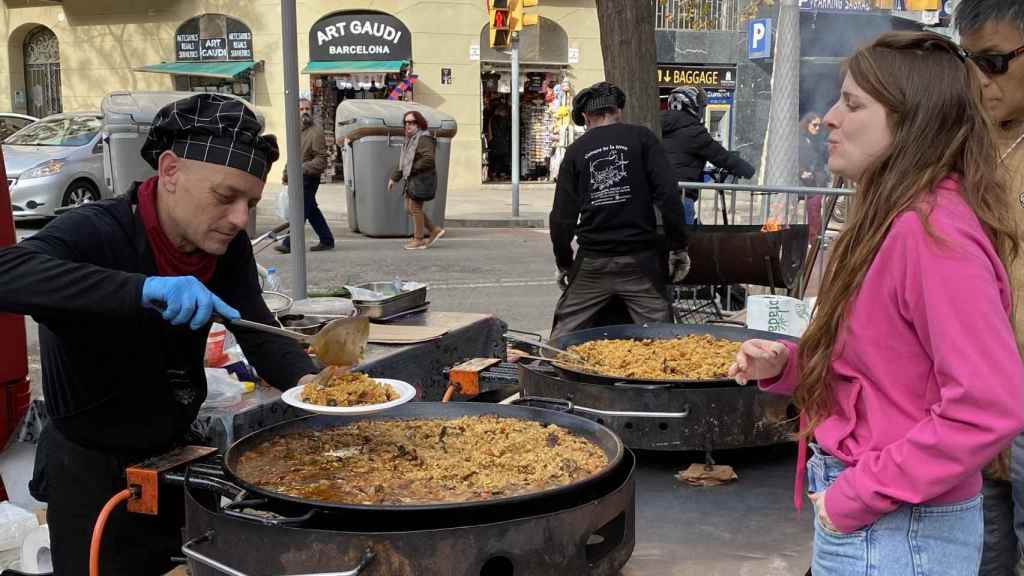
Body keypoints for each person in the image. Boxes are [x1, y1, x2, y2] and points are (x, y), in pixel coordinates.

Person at [729, 32, 1024, 575]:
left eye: (854, 103)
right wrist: (790, 365)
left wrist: (857, 494)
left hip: (895, 529)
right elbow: (890, 373)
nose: (830, 118)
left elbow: (988, 404)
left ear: (913, 121)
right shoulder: (898, 218)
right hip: (881, 519)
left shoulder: (932, 232)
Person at [0, 93, 320, 575]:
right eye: (225, 196)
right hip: (90, 470)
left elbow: (256, 327)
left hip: (176, 456)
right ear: (170, 171)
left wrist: (316, 388)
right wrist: (143, 288)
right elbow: (7, 273)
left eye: (250, 203)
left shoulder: (224, 248)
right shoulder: (94, 231)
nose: (240, 219)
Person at [957, 2, 1024, 574]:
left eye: (995, 61)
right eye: (969, 61)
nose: (980, 79)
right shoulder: (967, 149)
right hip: (974, 404)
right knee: (983, 556)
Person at [548, 81, 690, 340]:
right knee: (664, 341)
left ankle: (553, 375)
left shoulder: (576, 151)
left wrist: (564, 263)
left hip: (592, 260)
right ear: (618, 111)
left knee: (562, 339)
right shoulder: (643, 138)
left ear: (585, 117)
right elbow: (669, 196)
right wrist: (678, 246)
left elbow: (561, 217)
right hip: (639, 259)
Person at [661, 85, 755, 225]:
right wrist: (748, 170)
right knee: (684, 241)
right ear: (691, 106)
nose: (702, 111)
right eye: (701, 107)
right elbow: (721, 156)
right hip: (680, 196)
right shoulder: (693, 131)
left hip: (656, 195)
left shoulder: (658, 125)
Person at [276, 97, 334, 253]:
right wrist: (286, 175)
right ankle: (327, 240)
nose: (304, 112)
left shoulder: (316, 132)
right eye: (301, 110)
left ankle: (289, 243)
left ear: (312, 110)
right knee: (311, 210)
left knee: (300, 210)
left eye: (307, 109)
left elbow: (321, 160)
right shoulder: (297, 130)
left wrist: (302, 168)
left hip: (309, 177)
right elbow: (293, 156)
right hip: (298, 176)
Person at [388, 110, 445, 250]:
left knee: (414, 207)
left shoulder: (423, 138)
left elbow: (428, 159)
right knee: (409, 208)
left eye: (412, 122)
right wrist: (394, 178)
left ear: (419, 124)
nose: (408, 125)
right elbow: (403, 163)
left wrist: (411, 169)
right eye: (406, 122)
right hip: (414, 178)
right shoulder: (410, 140)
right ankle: (433, 230)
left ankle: (419, 239)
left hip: (422, 179)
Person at [799, 112, 829, 246]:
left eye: (819, 126)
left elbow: (821, 162)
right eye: (815, 125)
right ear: (807, 124)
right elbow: (792, 159)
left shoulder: (817, 141)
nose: (817, 128)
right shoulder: (799, 139)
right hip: (799, 181)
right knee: (787, 209)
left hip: (814, 181)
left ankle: (815, 238)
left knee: (815, 209)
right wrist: (801, 172)